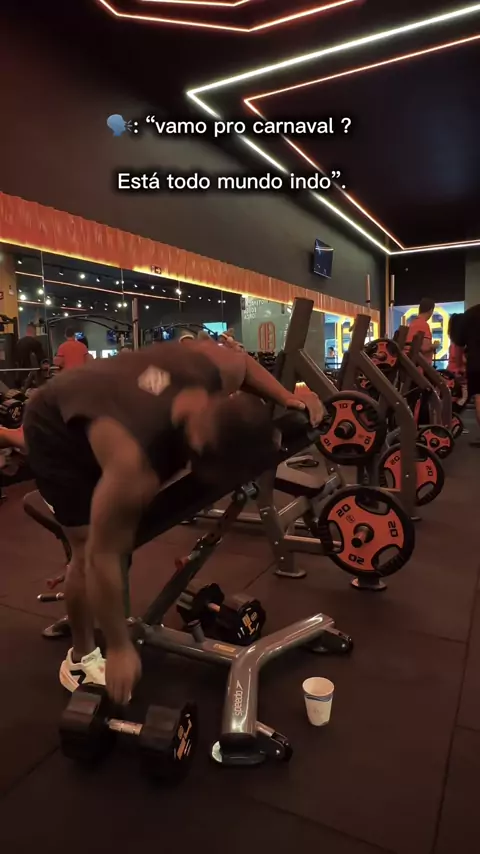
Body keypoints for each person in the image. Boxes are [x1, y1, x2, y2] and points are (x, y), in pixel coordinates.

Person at [22, 337, 324, 704]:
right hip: (53, 424)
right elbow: (103, 555)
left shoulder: (211, 370)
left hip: (101, 396)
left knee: (114, 522)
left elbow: (244, 365)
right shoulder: (132, 460)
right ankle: (80, 657)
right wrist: (118, 647)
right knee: (87, 548)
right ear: (195, 445)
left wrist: (287, 397)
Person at [451, 304, 480, 445]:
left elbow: (459, 345)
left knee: (479, 398)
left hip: (476, 364)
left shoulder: (470, 314)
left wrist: (459, 366)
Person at [406, 298, 439, 363]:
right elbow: (424, 347)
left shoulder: (412, 324)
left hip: (410, 363)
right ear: (431, 310)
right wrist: (435, 345)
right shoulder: (424, 325)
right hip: (420, 365)